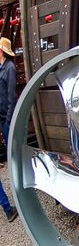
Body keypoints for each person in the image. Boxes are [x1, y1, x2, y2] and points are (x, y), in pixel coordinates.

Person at [0, 37, 19, 222]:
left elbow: (12, 97)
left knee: (14, 154)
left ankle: (22, 189)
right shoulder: (1, 68)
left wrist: (7, 120)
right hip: (2, 119)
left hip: (7, 119)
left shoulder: (10, 68)